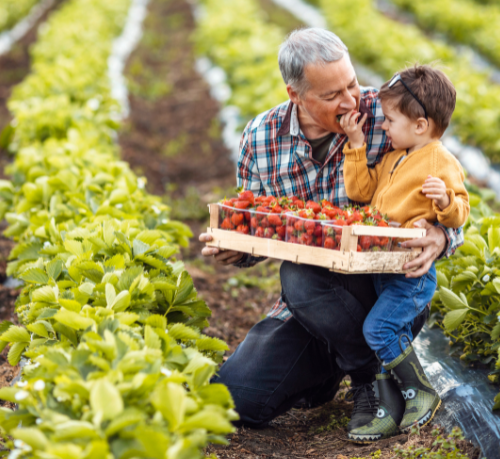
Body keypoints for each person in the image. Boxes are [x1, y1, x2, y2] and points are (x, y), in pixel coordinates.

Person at [199, 28, 464, 435]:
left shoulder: (391, 114)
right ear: (295, 95)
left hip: (380, 290)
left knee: (297, 272)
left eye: (352, 83)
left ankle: (367, 382)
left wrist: (444, 236)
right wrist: (237, 246)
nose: (351, 100)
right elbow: (260, 226)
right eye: (331, 95)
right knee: (235, 400)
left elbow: (448, 190)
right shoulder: (261, 138)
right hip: (309, 306)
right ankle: (333, 370)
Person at [339, 64, 469, 443]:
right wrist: (357, 145)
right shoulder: (396, 158)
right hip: (384, 268)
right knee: (385, 336)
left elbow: (461, 208)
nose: (383, 126)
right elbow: (361, 192)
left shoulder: (439, 161)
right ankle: (390, 408)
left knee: (378, 330)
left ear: (420, 125)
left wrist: (444, 202)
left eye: (389, 120)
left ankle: (421, 391)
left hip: (411, 273)